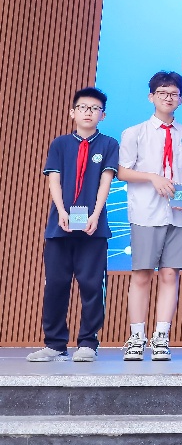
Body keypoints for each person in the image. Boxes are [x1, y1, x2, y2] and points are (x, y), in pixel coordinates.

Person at [116, 71, 182, 361]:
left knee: (170, 274)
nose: (168, 97)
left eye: (174, 93)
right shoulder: (135, 133)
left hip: (179, 214)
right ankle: (136, 336)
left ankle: (161, 335)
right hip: (146, 212)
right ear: (151, 96)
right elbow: (122, 171)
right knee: (142, 274)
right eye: (162, 92)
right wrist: (152, 177)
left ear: (181, 99)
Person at [29, 88, 119, 362]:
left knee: (92, 285)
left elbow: (105, 181)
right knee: (56, 284)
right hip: (61, 226)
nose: (88, 112)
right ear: (73, 112)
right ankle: (55, 344)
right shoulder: (60, 144)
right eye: (83, 107)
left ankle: (88, 343)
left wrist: (96, 214)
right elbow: (54, 179)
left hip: (93, 227)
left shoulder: (109, 144)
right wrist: (61, 211)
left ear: (103, 115)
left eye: (95, 108)